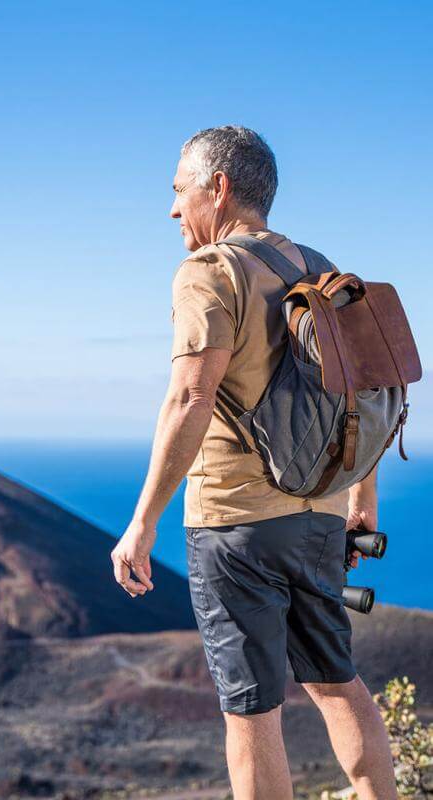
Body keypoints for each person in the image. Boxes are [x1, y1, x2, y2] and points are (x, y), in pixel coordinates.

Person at [110, 125, 397, 800]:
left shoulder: (209, 272)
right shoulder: (321, 269)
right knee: (336, 681)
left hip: (235, 524)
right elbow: (356, 399)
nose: (174, 209)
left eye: (179, 190)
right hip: (321, 514)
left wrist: (142, 522)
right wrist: (359, 504)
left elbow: (189, 396)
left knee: (250, 709)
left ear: (219, 187)